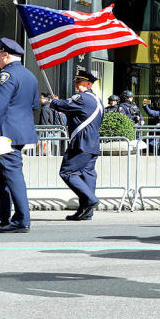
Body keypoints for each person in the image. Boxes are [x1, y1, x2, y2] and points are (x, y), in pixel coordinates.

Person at [0, 38, 40, 233]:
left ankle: (22, 219)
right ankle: (4, 216)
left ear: (5, 55)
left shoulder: (7, 75)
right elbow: (34, 105)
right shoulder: (30, 75)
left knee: (12, 175)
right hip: (19, 133)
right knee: (3, 176)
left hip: (5, 134)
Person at [50, 69, 103, 221]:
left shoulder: (82, 98)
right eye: (76, 82)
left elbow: (63, 105)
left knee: (67, 172)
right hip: (92, 143)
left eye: (79, 82)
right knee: (87, 175)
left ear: (88, 84)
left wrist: (53, 101)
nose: (76, 85)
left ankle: (91, 200)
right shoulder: (97, 100)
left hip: (81, 143)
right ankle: (86, 211)